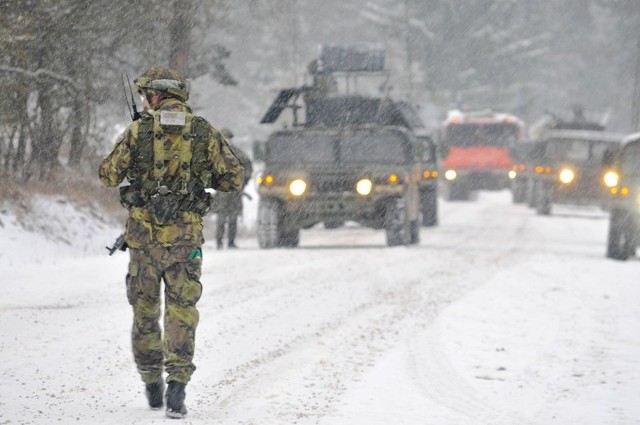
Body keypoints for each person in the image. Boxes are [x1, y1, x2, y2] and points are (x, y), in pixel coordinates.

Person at [98, 66, 244, 419]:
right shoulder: (203, 131)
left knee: (145, 312)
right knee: (182, 310)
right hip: (185, 239)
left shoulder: (138, 131)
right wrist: (200, 178)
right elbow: (234, 177)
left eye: (146, 96)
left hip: (144, 240)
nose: (144, 102)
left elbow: (107, 175)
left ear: (155, 95)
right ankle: (177, 387)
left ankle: (151, 384)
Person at [214, 128, 253, 249]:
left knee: (233, 217)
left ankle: (231, 241)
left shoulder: (239, 154)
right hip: (221, 191)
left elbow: (248, 169)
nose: (227, 141)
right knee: (221, 218)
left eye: (228, 138)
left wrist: (243, 183)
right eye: (224, 138)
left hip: (235, 191)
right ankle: (219, 242)